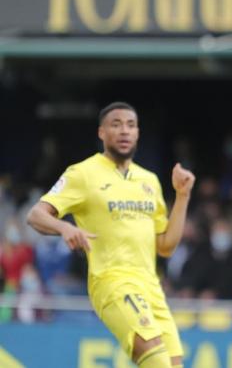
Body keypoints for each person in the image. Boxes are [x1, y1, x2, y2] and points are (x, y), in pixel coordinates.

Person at [26, 102, 195, 368]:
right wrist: (65, 227)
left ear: (138, 133)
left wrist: (182, 196)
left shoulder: (149, 180)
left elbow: (165, 246)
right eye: (115, 125)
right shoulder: (82, 173)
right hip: (112, 281)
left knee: (173, 366)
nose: (124, 131)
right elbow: (36, 214)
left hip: (150, 286)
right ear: (102, 133)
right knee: (158, 362)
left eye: (130, 125)